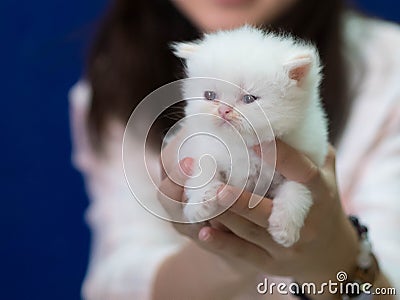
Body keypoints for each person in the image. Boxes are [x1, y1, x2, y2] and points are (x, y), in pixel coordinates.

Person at [69, 0, 400, 298]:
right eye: (211, 97)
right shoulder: (113, 88)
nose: (224, 111)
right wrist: (227, 258)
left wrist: (334, 256)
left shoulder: (389, 68)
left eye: (249, 99)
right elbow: (116, 280)